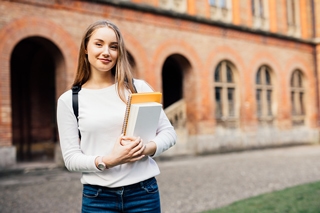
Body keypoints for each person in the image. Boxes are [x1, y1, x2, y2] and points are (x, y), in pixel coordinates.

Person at [56, 20, 176, 212]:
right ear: (86, 48)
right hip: (97, 199)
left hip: (143, 193)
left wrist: (145, 149)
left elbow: (169, 133)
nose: (106, 52)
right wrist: (109, 160)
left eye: (113, 47)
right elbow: (71, 159)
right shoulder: (69, 100)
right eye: (98, 44)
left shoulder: (137, 89)